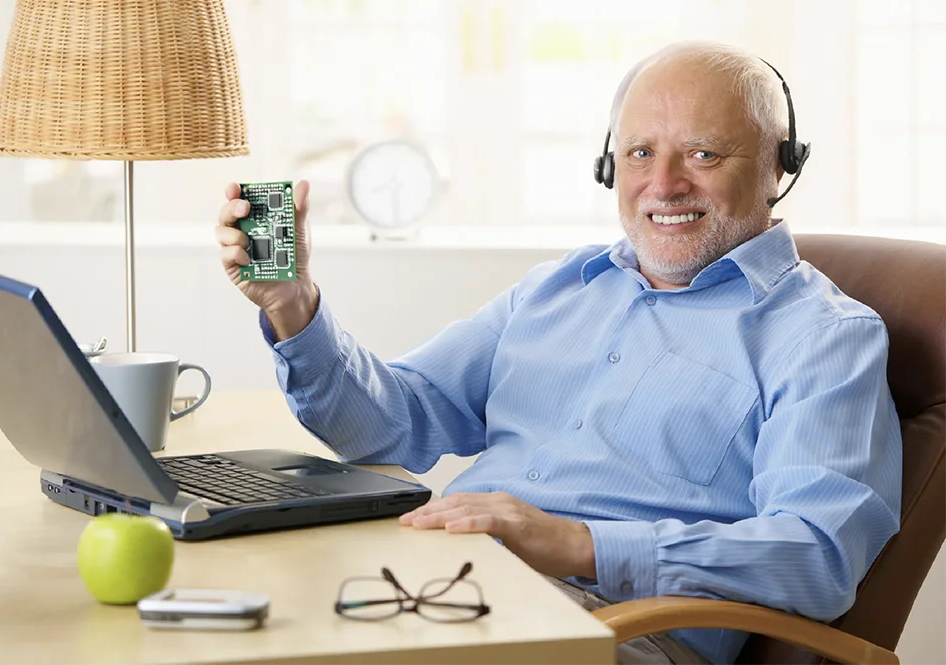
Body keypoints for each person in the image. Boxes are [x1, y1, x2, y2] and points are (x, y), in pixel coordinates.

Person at [214, 41, 902, 665]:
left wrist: (579, 542)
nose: (662, 185)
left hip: (615, 628)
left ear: (782, 166)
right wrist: (292, 306)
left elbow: (819, 554)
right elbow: (393, 421)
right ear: (610, 164)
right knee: (227, 610)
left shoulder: (825, 336)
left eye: (702, 153)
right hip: (442, 581)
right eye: (639, 153)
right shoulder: (556, 288)